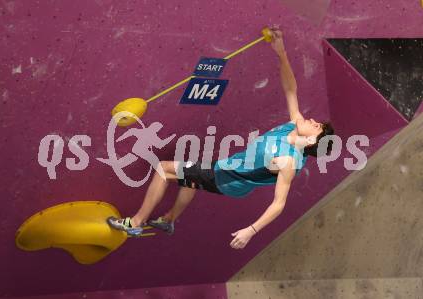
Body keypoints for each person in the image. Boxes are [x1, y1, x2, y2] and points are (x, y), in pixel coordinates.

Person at [107, 28, 334, 249]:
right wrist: (281, 52)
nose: (313, 121)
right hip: (230, 167)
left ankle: (135, 223)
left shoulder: (288, 161)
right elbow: (291, 90)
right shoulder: (293, 126)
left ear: (313, 142)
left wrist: (250, 231)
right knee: (192, 174)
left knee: (163, 169)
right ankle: (168, 221)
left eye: (317, 128)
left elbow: (278, 204)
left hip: (228, 179)